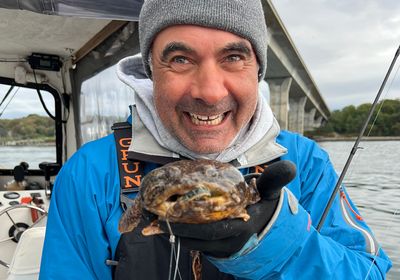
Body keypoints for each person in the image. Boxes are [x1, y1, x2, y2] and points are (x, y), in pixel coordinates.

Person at [39, 0, 392, 279]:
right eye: (180, 59)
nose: (208, 92)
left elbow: (368, 273)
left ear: (258, 70)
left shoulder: (307, 164)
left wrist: (276, 241)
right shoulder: (88, 174)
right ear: (150, 73)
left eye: (233, 57)